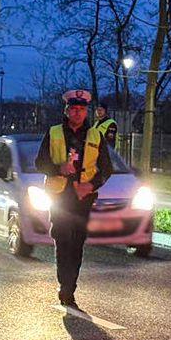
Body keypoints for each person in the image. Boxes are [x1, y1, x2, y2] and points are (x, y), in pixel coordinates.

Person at [34, 89, 114, 309]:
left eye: (81, 109)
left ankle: (70, 286)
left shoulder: (95, 135)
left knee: (77, 243)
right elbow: (39, 163)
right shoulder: (54, 132)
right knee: (62, 239)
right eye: (74, 109)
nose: (78, 113)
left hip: (82, 198)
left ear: (86, 112)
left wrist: (91, 185)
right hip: (59, 196)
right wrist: (58, 168)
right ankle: (65, 286)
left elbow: (106, 169)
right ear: (66, 110)